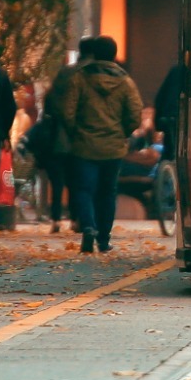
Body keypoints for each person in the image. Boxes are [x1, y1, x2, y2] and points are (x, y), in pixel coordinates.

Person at [52, 33, 144, 252]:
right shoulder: (125, 82)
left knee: (84, 189)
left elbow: (67, 111)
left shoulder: (80, 79)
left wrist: (76, 132)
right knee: (107, 191)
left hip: (84, 145)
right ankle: (104, 238)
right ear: (114, 54)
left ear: (93, 54)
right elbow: (134, 114)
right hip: (113, 147)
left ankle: (88, 227)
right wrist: (123, 132)